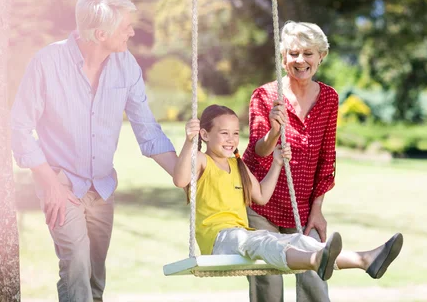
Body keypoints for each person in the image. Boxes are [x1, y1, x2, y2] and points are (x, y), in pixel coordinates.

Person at [10, 0, 177, 302]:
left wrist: (185, 178)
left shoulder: (126, 66)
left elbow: (147, 130)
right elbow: (19, 129)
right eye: (125, 26)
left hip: (101, 186)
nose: (132, 31)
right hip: (61, 182)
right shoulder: (47, 63)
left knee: (94, 277)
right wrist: (50, 185)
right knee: (75, 266)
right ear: (100, 34)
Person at [173, 104, 403, 281]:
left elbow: (261, 195)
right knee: (263, 241)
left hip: (243, 235)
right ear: (205, 134)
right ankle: (315, 261)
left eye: (235, 133)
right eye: (224, 133)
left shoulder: (237, 164)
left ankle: (364, 259)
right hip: (220, 239)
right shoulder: (201, 160)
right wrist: (188, 142)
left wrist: (276, 164)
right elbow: (180, 179)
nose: (231, 140)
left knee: (296, 239)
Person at [243, 21, 340, 302]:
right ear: (283, 57)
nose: (301, 60)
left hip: (302, 210)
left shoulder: (329, 99)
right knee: (268, 286)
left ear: (321, 56)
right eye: (294, 53)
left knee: (315, 283)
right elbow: (257, 153)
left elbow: (326, 159)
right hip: (263, 207)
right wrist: (274, 130)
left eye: (309, 53)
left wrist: (317, 209)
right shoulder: (265, 96)